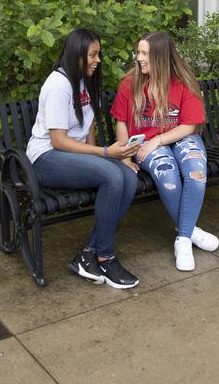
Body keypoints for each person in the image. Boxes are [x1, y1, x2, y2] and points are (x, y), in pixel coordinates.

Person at [26, 28, 141, 289]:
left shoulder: (83, 80)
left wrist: (99, 155)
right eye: (93, 54)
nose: (97, 60)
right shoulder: (58, 84)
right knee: (111, 175)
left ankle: (88, 252)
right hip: (46, 158)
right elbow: (58, 140)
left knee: (129, 179)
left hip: (71, 155)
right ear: (77, 55)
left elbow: (87, 123)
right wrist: (103, 155)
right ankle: (105, 256)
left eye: (98, 54)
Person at [111, 31, 219, 271]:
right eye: (138, 52)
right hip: (144, 143)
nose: (138, 58)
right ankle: (190, 232)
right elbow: (121, 121)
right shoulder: (129, 84)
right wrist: (126, 156)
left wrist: (159, 140)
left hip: (178, 137)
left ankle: (182, 239)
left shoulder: (182, 82)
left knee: (195, 172)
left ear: (160, 56)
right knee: (168, 175)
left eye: (144, 53)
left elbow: (189, 125)